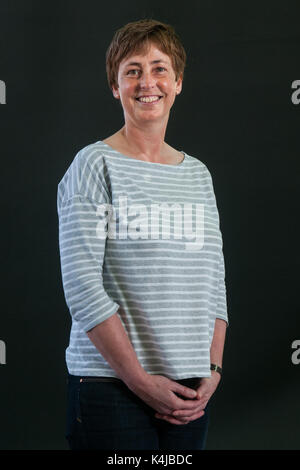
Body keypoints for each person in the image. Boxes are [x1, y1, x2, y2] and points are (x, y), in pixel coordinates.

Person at [57, 18, 228, 451]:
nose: (146, 82)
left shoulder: (198, 175)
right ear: (116, 87)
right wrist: (140, 381)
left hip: (190, 390)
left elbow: (215, 282)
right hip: (110, 388)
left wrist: (213, 368)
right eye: (132, 70)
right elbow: (81, 286)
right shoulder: (94, 165)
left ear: (178, 82)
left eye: (159, 68)